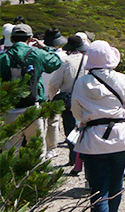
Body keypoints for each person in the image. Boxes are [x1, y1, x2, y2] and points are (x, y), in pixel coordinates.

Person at [71, 41, 125, 212]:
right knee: (116, 184)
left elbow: (76, 111)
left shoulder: (81, 82)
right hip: (121, 137)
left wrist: (87, 119)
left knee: (99, 189)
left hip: (94, 140)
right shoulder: (123, 79)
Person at [0, 24, 62, 158]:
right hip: (32, 108)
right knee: (36, 150)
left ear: (11, 38)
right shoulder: (37, 54)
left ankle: (13, 178)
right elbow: (56, 62)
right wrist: (45, 47)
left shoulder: (3, 58)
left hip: (9, 110)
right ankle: (35, 175)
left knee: (10, 153)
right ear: (30, 38)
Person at [48, 35, 87, 166]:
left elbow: (54, 84)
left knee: (70, 130)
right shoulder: (89, 60)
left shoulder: (65, 62)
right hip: (87, 101)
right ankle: (85, 159)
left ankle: (73, 159)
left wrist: (51, 98)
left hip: (69, 100)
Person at [42, 28, 68, 160]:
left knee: (40, 122)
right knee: (53, 122)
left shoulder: (38, 53)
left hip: (40, 92)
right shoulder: (63, 57)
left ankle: (39, 147)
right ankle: (51, 149)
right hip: (55, 93)